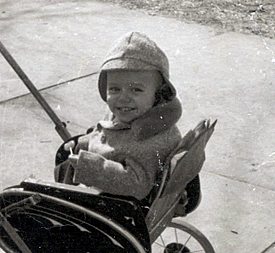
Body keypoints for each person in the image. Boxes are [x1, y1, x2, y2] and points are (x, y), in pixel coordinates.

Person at [55, 32, 182, 201]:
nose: (123, 98)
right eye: (114, 89)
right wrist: (84, 142)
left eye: (136, 90)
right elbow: (108, 135)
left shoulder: (152, 139)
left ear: (158, 94)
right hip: (101, 180)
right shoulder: (129, 113)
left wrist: (90, 167)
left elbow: (137, 185)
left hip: (114, 203)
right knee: (63, 158)